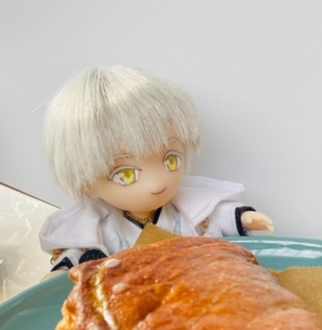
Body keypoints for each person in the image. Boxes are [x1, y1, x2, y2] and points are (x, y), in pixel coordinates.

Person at [39, 66, 274, 275]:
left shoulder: (187, 207)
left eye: (171, 160)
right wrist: (60, 274)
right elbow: (77, 254)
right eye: (126, 175)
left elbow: (213, 215)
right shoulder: (97, 226)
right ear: (87, 182)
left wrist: (244, 218)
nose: (157, 183)